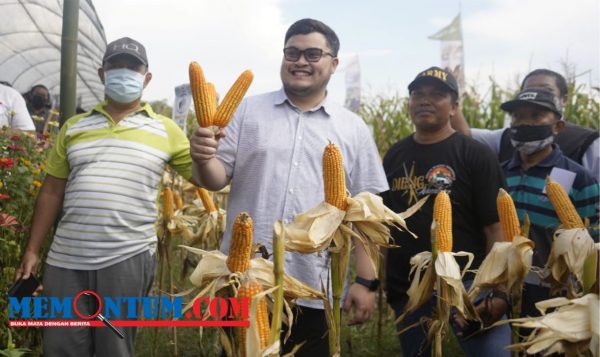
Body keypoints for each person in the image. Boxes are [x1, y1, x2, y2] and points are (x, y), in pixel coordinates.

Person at [190, 18, 387, 356]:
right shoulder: (247, 110)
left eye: (313, 54)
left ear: (333, 63)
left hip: (316, 286)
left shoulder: (352, 128)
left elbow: (367, 216)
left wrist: (366, 281)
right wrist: (201, 156)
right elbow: (215, 178)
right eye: (292, 52)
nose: (300, 61)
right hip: (244, 278)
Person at [15, 37, 194, 357]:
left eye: (133, 67)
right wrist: (32, 249)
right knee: (61, 346)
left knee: (114, 346)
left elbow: (206, 179)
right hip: (66, 258)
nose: (124, 72)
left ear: (147, 77)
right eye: (115, 66)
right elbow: (52, 191)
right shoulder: (73, 127)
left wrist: (208, 148)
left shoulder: (166, 130)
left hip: (127, 256)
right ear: (102, 73)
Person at [382, 66, 511, 357]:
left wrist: (493, 290)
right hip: (410, 288)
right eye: (418, 94)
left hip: (469, 286)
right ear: (409, 103)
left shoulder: (474, 153)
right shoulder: (394, 155)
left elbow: (496, 227)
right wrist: (382, 283)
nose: (425, 101)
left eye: (437, 95)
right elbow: (385, 225)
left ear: (454, 107)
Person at [498, 87, 599, 317]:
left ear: (558, 127)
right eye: (517, 116)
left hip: (557, 297)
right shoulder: (499, 173)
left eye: (535, 116)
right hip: (505, 290)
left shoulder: (579, 178)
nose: (524, 123)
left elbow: (594, 240)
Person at [453, 69, 599, 182]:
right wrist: (451, 95)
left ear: (564, 100)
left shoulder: (588, 142)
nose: (526, 123)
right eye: (517, 115)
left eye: (546, 90)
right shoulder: (504, 138)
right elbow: (464, 136)